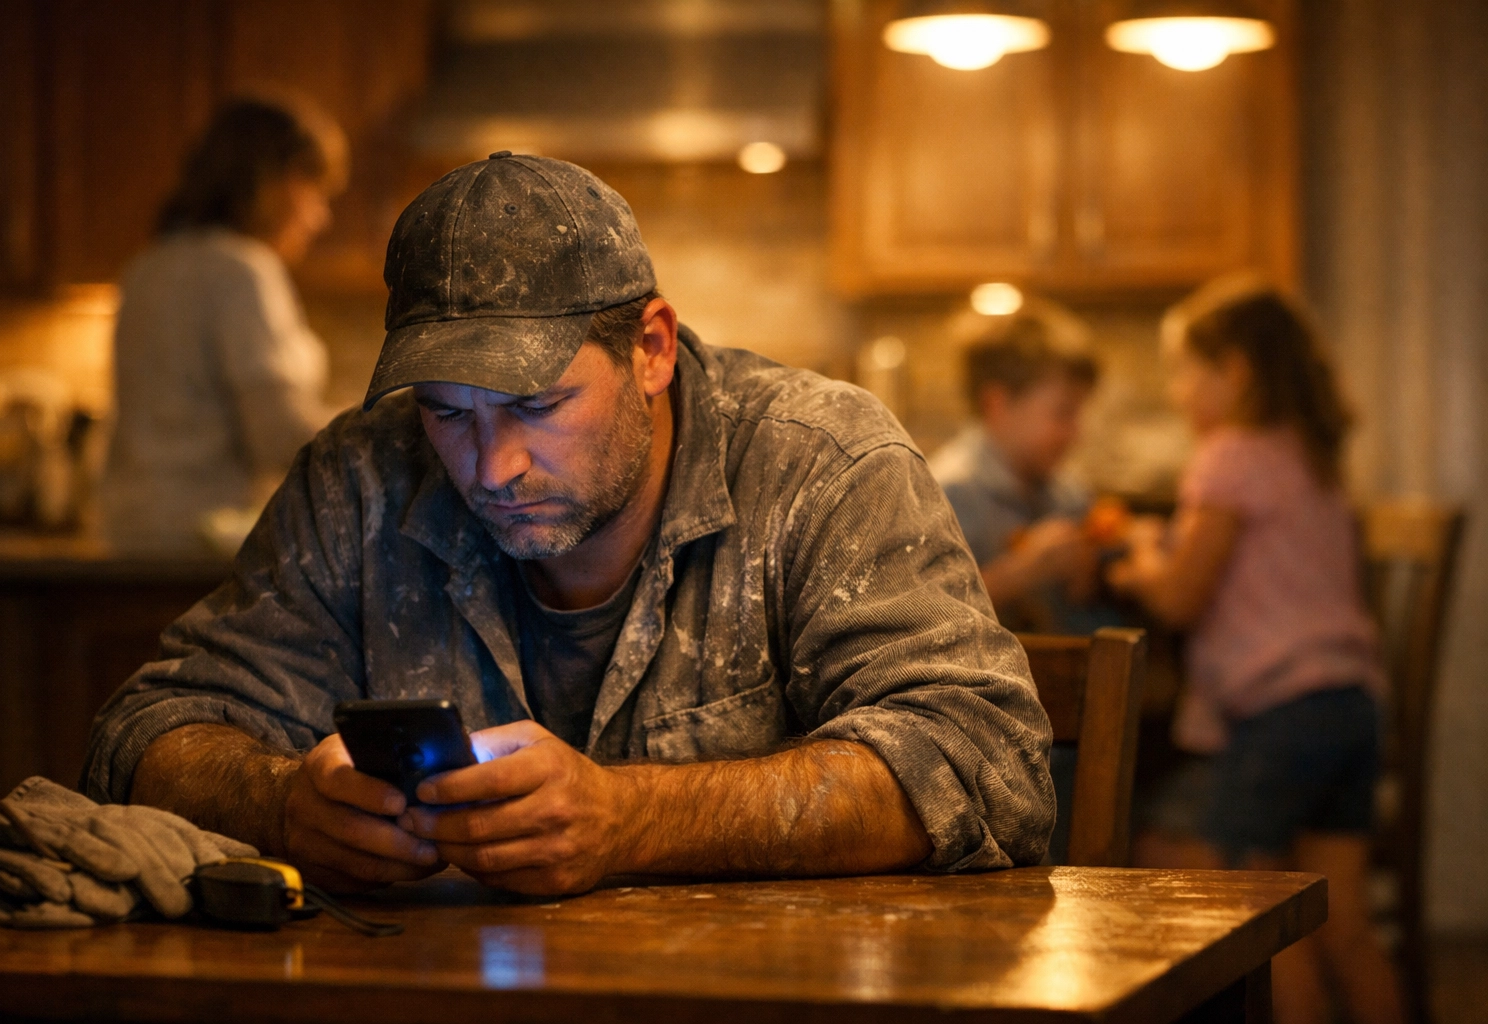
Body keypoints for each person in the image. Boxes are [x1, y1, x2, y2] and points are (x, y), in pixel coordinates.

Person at [82, 153, 1055, 897]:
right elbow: (145, 735)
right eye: (448, 412)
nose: (491, 467)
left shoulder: (820, 461)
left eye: (538, 406)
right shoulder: (362, 473)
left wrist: (632, 820)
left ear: (652, 348)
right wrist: (283, 802)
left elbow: (983, 756)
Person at [1107, 275, 1403, 1024]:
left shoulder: (1227, 456)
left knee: (1264, 923)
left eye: (1183, 371)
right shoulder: (1310, 457)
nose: (1177, 392)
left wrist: (1135, 564)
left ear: (1232, 371)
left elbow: (1181, 595)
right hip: (1350, 708)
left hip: (1281, 716)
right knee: (1346, 926)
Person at [102, 95, 348, 552]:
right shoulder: (241, 270)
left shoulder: (146, 269)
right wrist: (395, 424)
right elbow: (278, 435)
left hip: (130, 536)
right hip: (208, 544)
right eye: (311, 187)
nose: (319, 216)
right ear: (268, 181)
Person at [929, 311, 1123, 634]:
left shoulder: (1065, 491)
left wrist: (1092, 571)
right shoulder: (946, 495)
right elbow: (922, 620)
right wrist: (1022, 572)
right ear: (997, 404)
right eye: (1063, 413)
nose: (1076, 433)